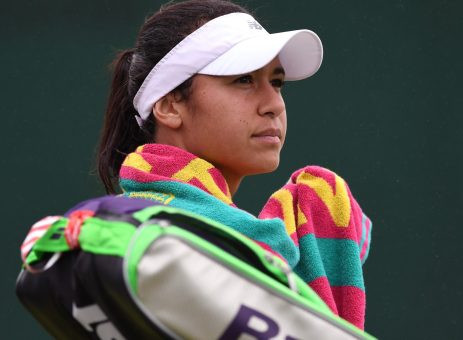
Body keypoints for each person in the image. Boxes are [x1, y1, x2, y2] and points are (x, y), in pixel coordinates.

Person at [96, 0, 372, 331]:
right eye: (243, 79)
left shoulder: (149, 231)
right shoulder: (166, 242)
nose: (274, 104)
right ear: (169, 106)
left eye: (277, 82)